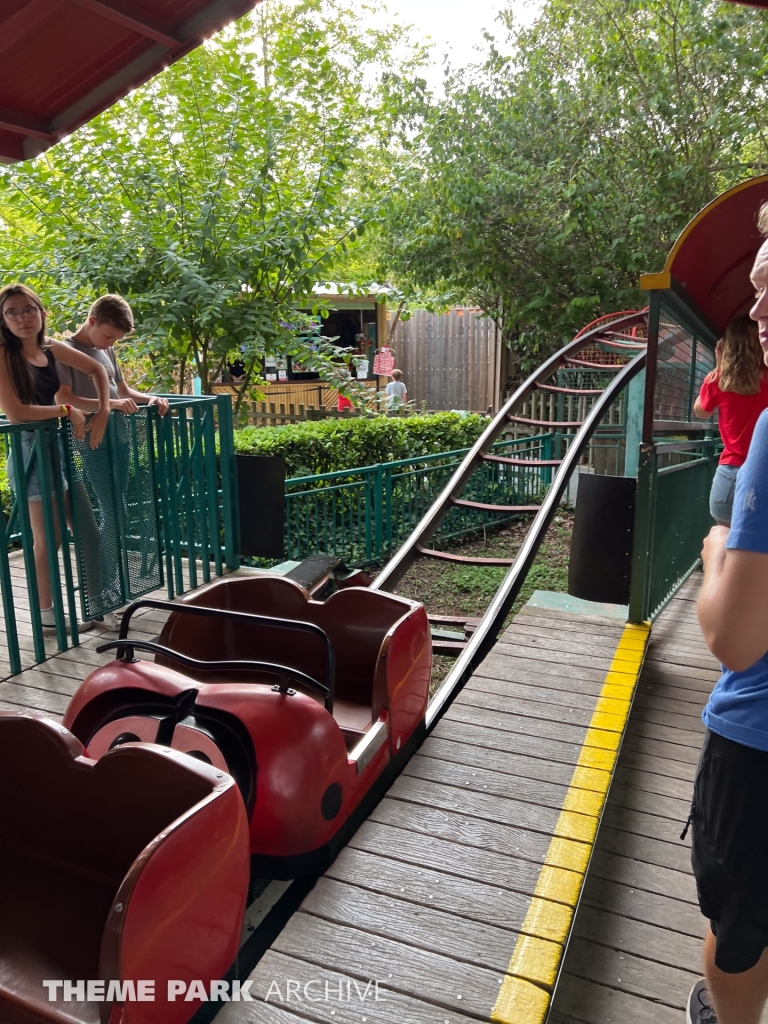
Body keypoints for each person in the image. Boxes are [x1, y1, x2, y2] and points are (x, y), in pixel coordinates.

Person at [691, 204, 768, 1024]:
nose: (755, 307)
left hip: (733, 475)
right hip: (752, 476)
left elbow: (736, 641)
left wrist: (719, 559)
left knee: (738, 915)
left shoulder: (729, 379)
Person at [0, 283, 111, 632]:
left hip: (57, 449)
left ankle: (97, 601)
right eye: (12, 312)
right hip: (29, 452)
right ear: (3, 320)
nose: (22, 318)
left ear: (42, 313)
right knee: (49, 538)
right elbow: (16, 412)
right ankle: (46, 618)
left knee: (87, 529)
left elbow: (98, 371)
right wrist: (65, 410)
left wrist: (104, 412)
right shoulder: (4, 354)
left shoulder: (50, 349)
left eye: (28, 309)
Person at [55, 294, 169, 627]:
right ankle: (102, 591)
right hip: (91, 439)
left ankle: (108, 589)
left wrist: (152, 398)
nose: (111, 343)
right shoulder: (65, 351)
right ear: (91, 321)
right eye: (108, 336)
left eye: (116, 340)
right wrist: (113, 406)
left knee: (115, 512)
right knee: (110, 512)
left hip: (118, 437)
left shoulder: (107, 349)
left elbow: (124, 391)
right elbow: (65, 399)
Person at [694, 315, 768, 525]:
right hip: (764, 470)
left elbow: (701, 412)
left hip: (732, 471)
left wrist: (719, 365)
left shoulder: (718, 379)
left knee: (723, 537)